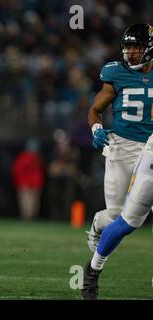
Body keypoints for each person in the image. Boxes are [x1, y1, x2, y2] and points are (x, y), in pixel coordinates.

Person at [82, 23, 153, 300]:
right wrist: (96, 129)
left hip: (150, 149)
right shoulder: (116, 73)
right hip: (122, 147)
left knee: (132, 217)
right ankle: (98, 225)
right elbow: (95, 110)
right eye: (129, 47)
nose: (132, 53)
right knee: (115, 217)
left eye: (137, 47)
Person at [12, 139, 45, 220]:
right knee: (29, 202)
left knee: (30, 202)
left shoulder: (35, 157)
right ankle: (29, 218)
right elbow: (18, 170)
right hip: (28, 183)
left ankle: (29, 218)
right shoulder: (28, 157)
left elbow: (17, 170)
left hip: (29, 183)